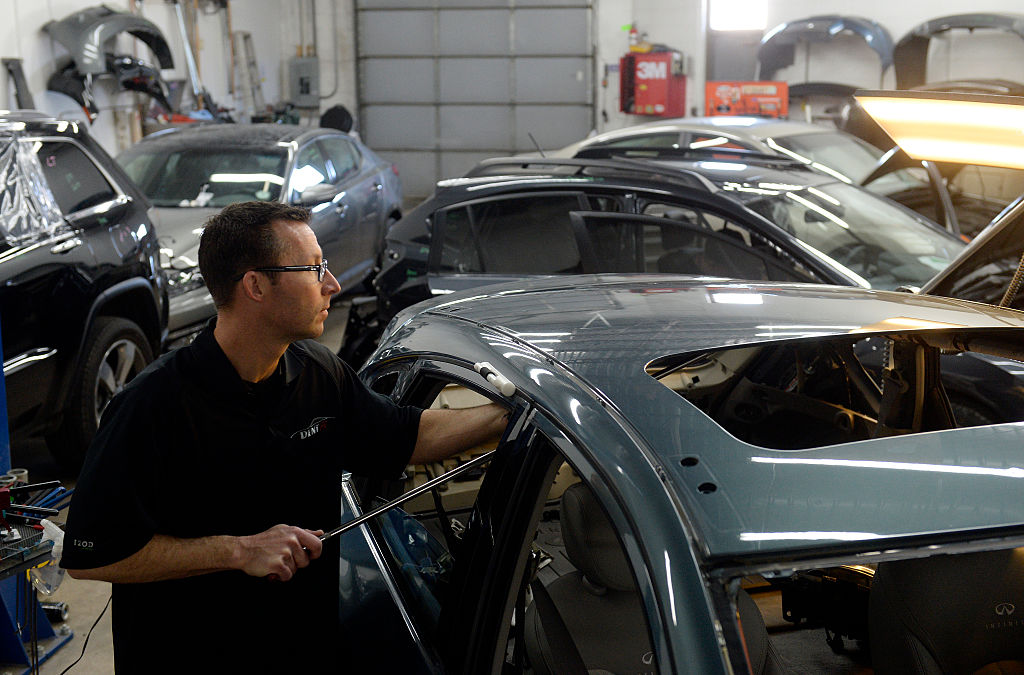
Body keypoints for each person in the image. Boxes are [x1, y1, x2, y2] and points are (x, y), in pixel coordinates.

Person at [60, 201, 508, 673]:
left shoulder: (320, 372)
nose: (331, 284)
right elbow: (92, 557)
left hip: (300, 649)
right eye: (315, 268)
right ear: (255, 285)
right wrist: (239, 551)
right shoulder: (151, 406)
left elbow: (406, 435)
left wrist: (505, 415)